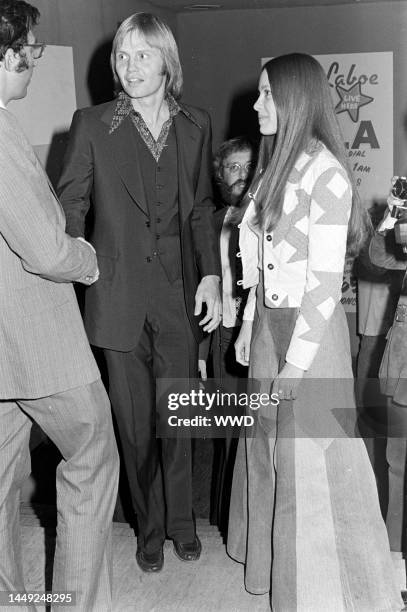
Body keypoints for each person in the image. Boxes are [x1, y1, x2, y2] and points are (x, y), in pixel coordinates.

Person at [227, 53, 403, 611]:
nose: (256, 105)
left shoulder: (326, 173)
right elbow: (257, 264)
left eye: (266, 95)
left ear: (296, 100)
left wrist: (296, 367)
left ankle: (325, 589)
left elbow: (325, 285)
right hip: (266, 333)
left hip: (311, 337)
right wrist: (249, 326)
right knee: (265, 453)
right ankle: (272, 571)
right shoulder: (271, 165)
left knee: (316, 460)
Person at [58, 13, 221, 573]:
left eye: (142, 55)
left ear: (167, 62)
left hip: (178, 296)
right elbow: (72, 203)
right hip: (118, 296)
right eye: (122, 57)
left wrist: (212, 274)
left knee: (180, 416)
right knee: (134, 426)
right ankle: (149, 530)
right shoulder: (91, 124)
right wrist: (78, 257)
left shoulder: (196, 125)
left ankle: (182, 524)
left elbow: (201, 210)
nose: (130, 67)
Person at [0, 1, 119, 610]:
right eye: (31, 47)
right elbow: (46, 250)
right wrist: (91, 260)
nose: (35, 59)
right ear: (5, 52)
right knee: (94, 453)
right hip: (37, 343)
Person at [199, 137, 254, 531]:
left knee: (256, 435)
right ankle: (225, 523)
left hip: (260, 338)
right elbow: (201, 290)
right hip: (222, 338)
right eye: (232, 167)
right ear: (221, 175)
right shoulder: (210, 224)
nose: (240, 174)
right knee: (226, 435)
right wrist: (202, 351)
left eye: (247, 167)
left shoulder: (271, 218)